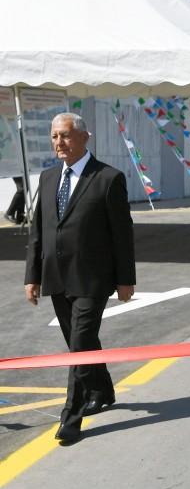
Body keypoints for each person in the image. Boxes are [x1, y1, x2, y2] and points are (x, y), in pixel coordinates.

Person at [24, 113, 135, 445]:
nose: (59, 142)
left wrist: (125, 279)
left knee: (79, 345)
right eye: (55, 136)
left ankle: (71, 417)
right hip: (57, 277)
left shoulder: (108, 178)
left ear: (85, 137)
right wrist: (32, 276)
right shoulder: (48, 178)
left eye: (66, 135)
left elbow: (121, 234)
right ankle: (102, 389)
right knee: (81, 342)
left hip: (92, 279)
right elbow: (38, 231)